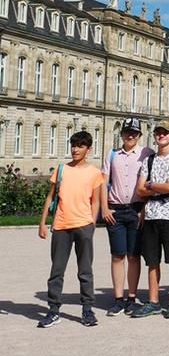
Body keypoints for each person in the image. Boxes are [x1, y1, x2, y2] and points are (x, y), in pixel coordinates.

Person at [37, 131, 105, 328]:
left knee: (85, 271)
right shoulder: (62, 169)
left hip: (83, 225)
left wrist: (91, 225)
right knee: (56, 271)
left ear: (88, 149)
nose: (75, 149)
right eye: (73, 145)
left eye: (80, 146)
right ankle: (53, 310)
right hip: (61, 225)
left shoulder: (94, 173)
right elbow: (50, 197)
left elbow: (96, 201)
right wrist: (42, 223)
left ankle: (87, 309)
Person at [130, 121, 169, 319]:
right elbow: (139, 189)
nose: (161, 136)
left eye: (165, 133)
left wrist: (152, 184)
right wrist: (160, 185)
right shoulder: (149, 160)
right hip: (152, 214)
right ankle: (153, 301)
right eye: (158, 133)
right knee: (152, 260)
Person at [101, 117, 153, 317]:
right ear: (121, 134)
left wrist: (144, 209)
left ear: (139, 135)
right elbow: (103, 182)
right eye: (127, 132)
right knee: (117, 255)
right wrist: (104, 208)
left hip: (135, 209)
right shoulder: (112, 154)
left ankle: (131, 297)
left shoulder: (146, 153)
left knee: (133, 255)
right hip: (115, 209)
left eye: (134, 133)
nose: (130, 136)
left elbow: (150, 183)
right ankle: (118, 299)